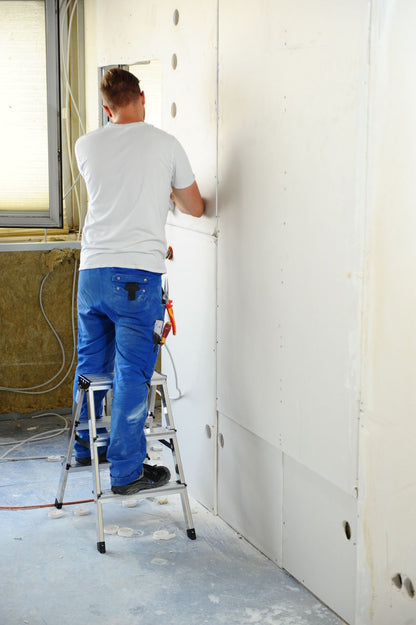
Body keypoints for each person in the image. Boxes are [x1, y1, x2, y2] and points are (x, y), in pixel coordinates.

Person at [73, 67, 204, 495]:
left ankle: (83, 448)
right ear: (142, 97)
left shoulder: (85, 145)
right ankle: (127, 472)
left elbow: (115, 190)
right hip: (136, 277)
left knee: (91, 366)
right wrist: (164, 188)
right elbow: (195, 207)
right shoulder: (165, 144)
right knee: (131, 372)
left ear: (107, 107)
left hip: (92, 272)